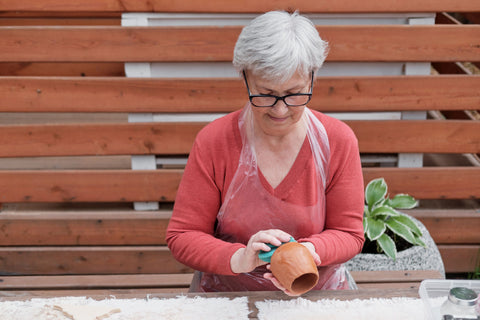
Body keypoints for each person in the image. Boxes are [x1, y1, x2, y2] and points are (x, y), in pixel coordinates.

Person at [166, 10, 364, 295]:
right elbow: (183, 236)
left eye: (295, 93)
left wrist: (306, 252)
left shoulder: (337, 140)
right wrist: (240, 258)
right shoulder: (214, 142)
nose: (280, 109)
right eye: (266, 94)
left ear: (313, 76)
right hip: (228, 296)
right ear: (244, 75)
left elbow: (349, 234)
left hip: (317, 292)